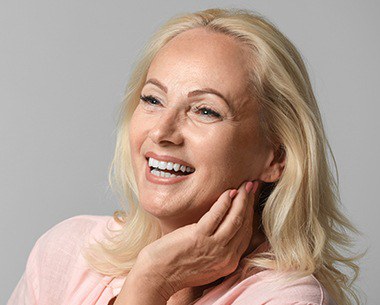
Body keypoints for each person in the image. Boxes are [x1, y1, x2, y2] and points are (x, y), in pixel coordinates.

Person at [7, 7, 365, 305]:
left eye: (206, 111)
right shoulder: (67, 251)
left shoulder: (287, 299)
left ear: (276, 157)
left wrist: (151, 283)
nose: (161, 132)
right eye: (152, 100)